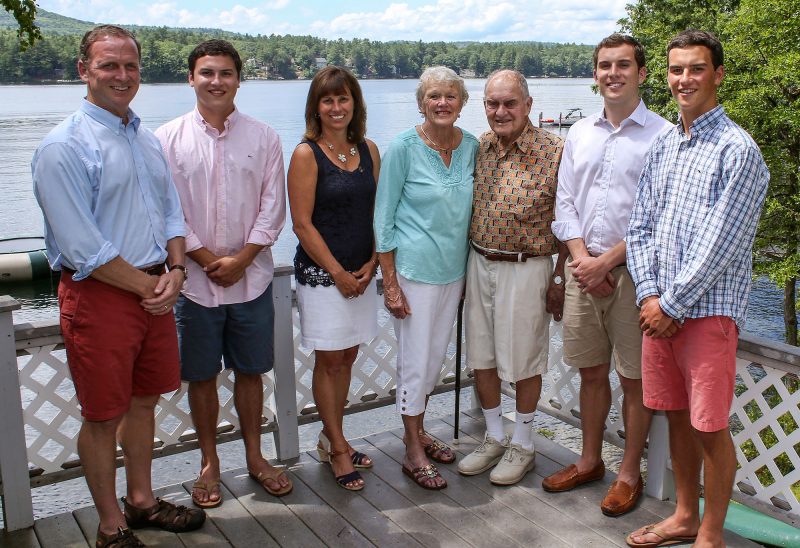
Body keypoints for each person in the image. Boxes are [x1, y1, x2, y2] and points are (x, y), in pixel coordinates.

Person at [32, 25, 205, 547]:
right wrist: (150, 287)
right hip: (102, 295)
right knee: (104, 415)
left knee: (144, 401)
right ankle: (110, 526)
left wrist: (176, 270)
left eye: (130, 66)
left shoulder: (144, 138)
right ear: (83, 70)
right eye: (109, 65)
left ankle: (143, 500)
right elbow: (83, 246)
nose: (122, 76)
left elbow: (170, 210)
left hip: (155, 287)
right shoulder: (63, 146)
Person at [625, 30, 768, 548]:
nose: (684, 79)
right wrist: (648, 296)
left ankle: (711, 534)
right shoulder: (664, 144)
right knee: (677, 418)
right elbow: (639, 226)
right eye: (676, 69)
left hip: (706, 314)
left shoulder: (738, 150)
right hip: (657, 308)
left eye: (696, 69)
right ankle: (685, 516)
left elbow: (722, 241)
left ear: (718, 75)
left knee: (709, 426)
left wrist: (672, 303)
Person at [155, 39, 289, 509]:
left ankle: (256, 457)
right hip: (194, 283)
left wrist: (242, 260)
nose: (217, 81)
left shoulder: (265, 137)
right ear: (190, 77)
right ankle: (209, 464)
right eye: (207, 73)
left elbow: (274, 209)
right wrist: (209, 258)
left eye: (226, 73)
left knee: (252, 372)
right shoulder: (166, 140)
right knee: (202, 376)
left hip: (251, 280)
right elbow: (167, 212)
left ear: (239, 79)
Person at [545, 34, 672, 516]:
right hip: (583, 271)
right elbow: (565, 201)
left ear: (642, 73)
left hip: (636, 276)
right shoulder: (579, 132)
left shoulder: (663, 135)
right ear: (595, 74)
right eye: (604, 66)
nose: (613, 73)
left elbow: (660, 213)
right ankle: (589, 461)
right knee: (591, 373)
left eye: (623, 65)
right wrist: (582, 259)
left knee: (634, 380)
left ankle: (627, 473)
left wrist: (608, 262)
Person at [457, 69, 567, 486]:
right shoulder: (479, 147)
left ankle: (524, 441)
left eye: (509, 103)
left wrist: (559, 279)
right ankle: (494, 435)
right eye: (492, 103)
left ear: (528, 106)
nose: (500, 111)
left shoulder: (555, 151)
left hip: (528, 265)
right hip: (479, 261)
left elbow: (569, 219)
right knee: (481, 355)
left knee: (523, 359)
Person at [374, 66, 479, 490]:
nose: (442, 103)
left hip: (454, 271)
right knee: (415, 363)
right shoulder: (402, 147)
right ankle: (412, 450)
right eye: (434, 96)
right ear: (421, 103)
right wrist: (391, 282)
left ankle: (416, 431)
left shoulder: (472, 146)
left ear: (461, 103)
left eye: (450, 96)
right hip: (414, 273)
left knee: (434, 359)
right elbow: (383, 218)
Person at [287, 66, 380, 491]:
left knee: (348, 357)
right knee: (329, 360)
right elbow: (303, 225)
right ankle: (339, 448)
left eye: (344, 99)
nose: (337, 107)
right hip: (324, 277)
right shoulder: (306, 154)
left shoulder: (369, 150)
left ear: (354, 104)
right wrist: (338, 273)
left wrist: (374, 262)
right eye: (328, 100)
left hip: (362, 274)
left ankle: (330, 437)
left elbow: (380, 213)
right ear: (316, 107)